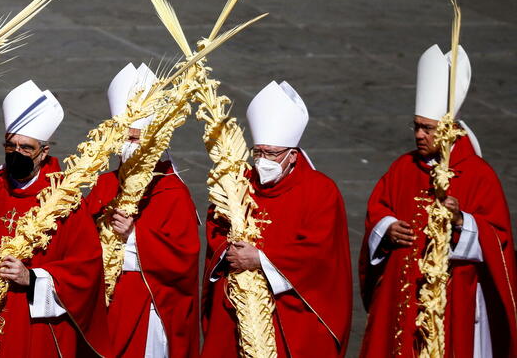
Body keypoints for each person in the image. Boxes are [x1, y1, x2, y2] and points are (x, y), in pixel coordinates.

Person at [359, 45, 517, 357]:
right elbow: (379, 209)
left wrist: (462, 222)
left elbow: (498, 240)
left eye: (428, 129)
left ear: (449, 130)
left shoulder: (477, 174)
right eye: (416, 126)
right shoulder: (402, 168)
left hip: (454, 294)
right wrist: (387, 228)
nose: (419, 135)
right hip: (402, 295)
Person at [0, 80, 110, 357]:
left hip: (33, 327)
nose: (17, 154)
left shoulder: (65, 200)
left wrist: (32, 278)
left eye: (26, 148)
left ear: (44, 152)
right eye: (10, 146)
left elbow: (85, 271)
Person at [202, 81, 352, 357]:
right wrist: (229, 250)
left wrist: (260, 259)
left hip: (291, 313)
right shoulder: (239, 183)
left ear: (292, 156)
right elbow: (216, 221)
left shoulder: (321, 191)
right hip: (238, 307)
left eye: (271, 154)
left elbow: (320, 256)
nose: (262, 161)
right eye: (258, 152)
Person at [86, 62, 200, 357]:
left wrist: (134, 235)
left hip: (146, 303)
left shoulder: (173, 193)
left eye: (135, 138)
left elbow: (184, 259)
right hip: (102, 304)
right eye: (123, 136)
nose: (127, 145)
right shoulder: (106, 183)